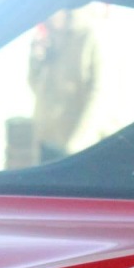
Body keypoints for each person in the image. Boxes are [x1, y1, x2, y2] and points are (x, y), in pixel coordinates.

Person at [29, 9, 98, 164]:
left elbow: (98, 94)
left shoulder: (86, 36)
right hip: (46, 139)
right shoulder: (47, 38)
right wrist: (35, 58)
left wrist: (79, 140)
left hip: (77, 143)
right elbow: (35, 85)